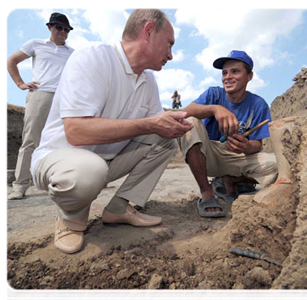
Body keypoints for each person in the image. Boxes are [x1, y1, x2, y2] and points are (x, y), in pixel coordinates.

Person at [30, 8, 193, 254]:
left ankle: (119, 208)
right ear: (148, 31)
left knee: (165, 141)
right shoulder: (93, 58)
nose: (171, 55)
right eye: (169, 44)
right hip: (58, 160)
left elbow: (155, 127)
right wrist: (149, 124)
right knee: (88, 170)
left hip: (102, 162)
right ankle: (70, 219)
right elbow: (76, 132)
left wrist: (172, 125)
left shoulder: (148, 80)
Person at [178, 50, 278, 218]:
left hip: (235, 157)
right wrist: (214, 108)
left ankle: (231, 180)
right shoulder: (214, 94)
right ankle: (207, 193)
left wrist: (246, 146)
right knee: (189, 122)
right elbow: (184, 113)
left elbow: (257, 145)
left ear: (249, 76)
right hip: (208, 156)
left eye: (235, 71)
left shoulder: (258, 104)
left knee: (277, 164)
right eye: (224, 73)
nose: (227, 77)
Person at [6, 12, 74, 200]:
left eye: (66, 29)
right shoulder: (36, 44)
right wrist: (20, 83)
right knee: (31, 140)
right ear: (50, 27)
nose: (63, 31)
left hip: (64, 99)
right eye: (59, 27)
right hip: (41, 95)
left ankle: (60, 182)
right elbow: (11, 61)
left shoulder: (72, 54)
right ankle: (20, 186)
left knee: (63, 141)